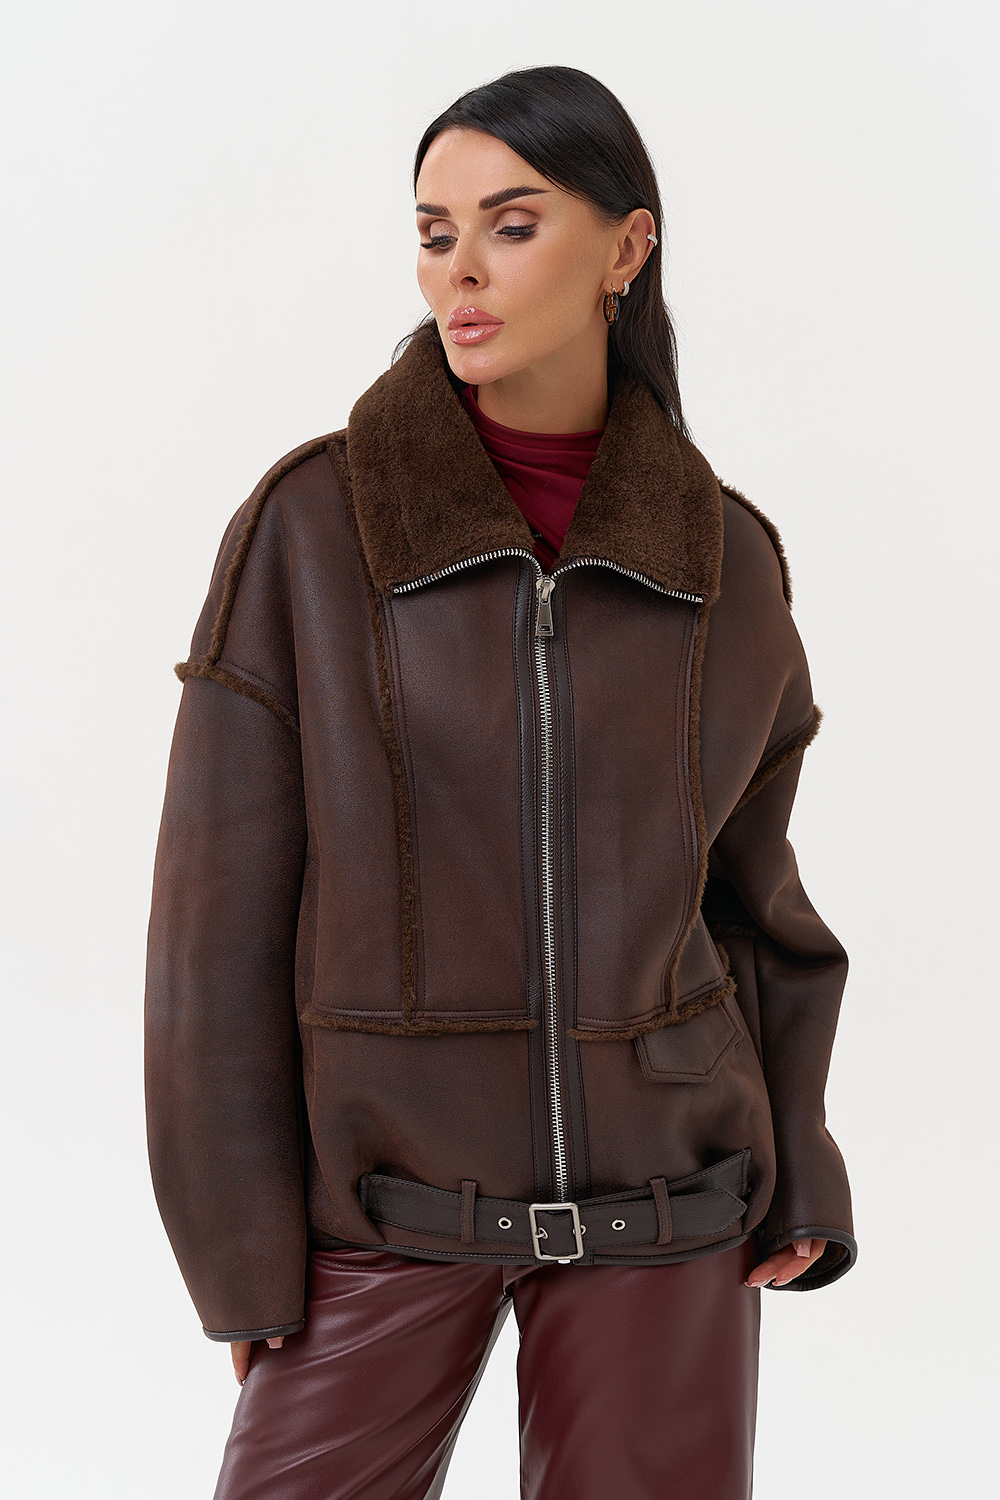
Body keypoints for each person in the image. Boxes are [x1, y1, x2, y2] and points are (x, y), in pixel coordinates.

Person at [144, 64, 857, 1500]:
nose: (457, 270)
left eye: (511, 225)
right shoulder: (314, 529)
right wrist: (238, 1252)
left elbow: (754, 901)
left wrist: (804, 1163)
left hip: (672, 1202)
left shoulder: (722, 555)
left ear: (627, 247)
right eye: (433, 232)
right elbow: (214, 933)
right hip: (383, 1205)